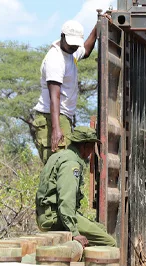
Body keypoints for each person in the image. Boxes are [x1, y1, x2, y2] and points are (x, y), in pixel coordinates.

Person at [36, 126, 117, 248]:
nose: (91, 152)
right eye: (91, 147)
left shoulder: (60, 155)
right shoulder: (71, 163)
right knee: (109, 243)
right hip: (54, 217)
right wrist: (74, 232)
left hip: (48, 214)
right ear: (84, 146)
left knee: (100, 229)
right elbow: (66, 199)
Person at [32, 20, 98, 163]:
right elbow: (54, 96)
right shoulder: (55, 59)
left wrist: (98, 27)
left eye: (76, 44)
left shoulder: (70, 52)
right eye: (71, 44)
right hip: (52, 117)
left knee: (64, 165)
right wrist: (56, 128)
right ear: (62, 36)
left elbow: (85, 50)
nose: (74, 47)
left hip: (62, 117)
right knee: (59, 165)